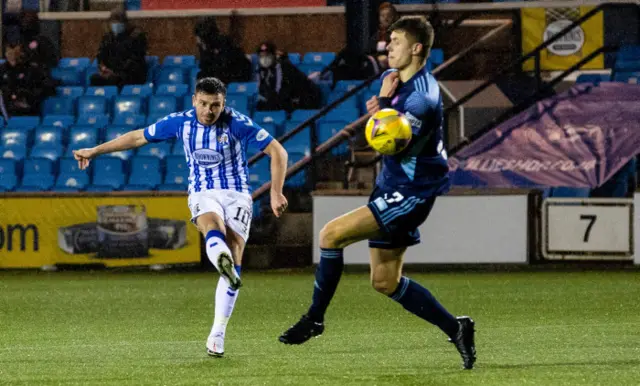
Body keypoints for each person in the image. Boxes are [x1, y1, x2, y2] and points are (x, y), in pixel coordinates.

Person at [278, 16, 477, 370]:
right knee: (385, 281)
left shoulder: (421, 98)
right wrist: (382, 110)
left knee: (330, 235)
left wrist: (384, 108)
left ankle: (315, 318)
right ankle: (456, 327)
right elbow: (387, 128)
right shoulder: (400, 82)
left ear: (417, 49)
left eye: (397, 41)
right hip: (394, 186)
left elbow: (391, 144)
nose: (389, 47)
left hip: (411, 193)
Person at [73, 77, 289, 358]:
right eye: (203, 104)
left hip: (236, 193)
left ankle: (218, 329)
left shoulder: (237, 123)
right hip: (202, 191)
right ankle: (220, 270)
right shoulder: (180, 122)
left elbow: (278, 151)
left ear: (224, 104)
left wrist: (276, 192)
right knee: (211, 224)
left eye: (216, 105)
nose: (209, 111)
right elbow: (138, 136)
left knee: (235, 252)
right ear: (193, 101)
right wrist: (95, 150)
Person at [255, 41, 322, 113]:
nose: (264, 59)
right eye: (261, 56)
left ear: (273, 55)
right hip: (288, 98)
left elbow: (282, 90)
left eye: (267, 55)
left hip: (306, 97)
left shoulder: (283, 66)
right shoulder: (260, 70)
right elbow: (262, 89)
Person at [91, 8, 148, 88]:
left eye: (119, 22)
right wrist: (103, 67)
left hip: (130, 74)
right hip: (111, 73)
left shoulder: (136, 36)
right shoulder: (108, 37)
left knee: (116, 79)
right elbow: (101, 55)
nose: (116, 25)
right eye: (113, 22)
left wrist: (115, 71)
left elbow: (135, 59)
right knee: (94, 78)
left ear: (125, 23)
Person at [0, 40, 55, 117]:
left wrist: (24, 95)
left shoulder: (31, 69)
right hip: (8, 104)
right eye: (8, 53)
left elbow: (44, 87)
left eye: (14, 53)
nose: (10, 55)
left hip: (28, 106)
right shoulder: (2, 69)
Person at [194, 17, 252, 85]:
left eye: (199, 38)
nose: (197, 41)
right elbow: (205, 68)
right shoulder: (205, 48)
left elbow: (225, 68)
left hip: (236, 78)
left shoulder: (225, 45)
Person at [368, 2, 400, 70]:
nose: (385, 18)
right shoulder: (377, 34)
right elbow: (369, 49)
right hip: (377, 60)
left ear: (394, 17)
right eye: (382, 16)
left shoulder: (397, 33)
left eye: (389, 16)